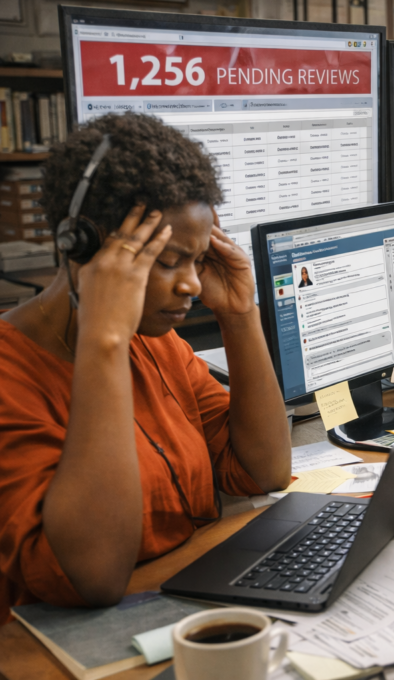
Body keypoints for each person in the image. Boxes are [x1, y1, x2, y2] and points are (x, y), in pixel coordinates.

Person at [0, 113, 292, 624]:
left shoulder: (158, 344)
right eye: (167, 261)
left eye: (198, 260)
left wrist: (240, 316)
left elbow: (261, 470)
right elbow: (94, 575)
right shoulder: (13, 375)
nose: (193, 285)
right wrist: (104, 338)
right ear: (84, 248)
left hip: (180, 605)